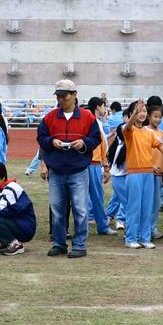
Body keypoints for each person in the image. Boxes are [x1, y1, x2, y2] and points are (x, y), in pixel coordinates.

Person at [37, 79, 102, 259]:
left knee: (80, 210)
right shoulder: (50, 117)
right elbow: (41, 137)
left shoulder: (88, 117)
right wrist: (52, 141)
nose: (61, 99)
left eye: (64, 96)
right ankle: (59, 243)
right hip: (56, 171)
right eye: (58, 96)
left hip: (78, 171)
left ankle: (79, 245)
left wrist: (84, 143)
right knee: (57, 210)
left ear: (74, 95)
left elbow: (96, 139)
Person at [118, 100, 163, 250]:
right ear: (132, 113)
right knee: (134, 207)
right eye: (138, 111)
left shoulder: (149, 133)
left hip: (149, 174)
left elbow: (160, 146)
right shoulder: (129, 131)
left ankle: (145, 238)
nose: (141, 114)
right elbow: (127, 126)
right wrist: (134, 113)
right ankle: (130, 238)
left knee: (147, 207)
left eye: (144, 111)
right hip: (134, 174)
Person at [84, 97, 114, 236]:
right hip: (87, 164)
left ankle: (101, 226)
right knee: (89, 196)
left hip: (93, 164)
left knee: (96, 196)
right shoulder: (92, 123)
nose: (104, 109)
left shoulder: (97, 123)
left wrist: (106, 167)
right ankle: (95, 226)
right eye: (103, 106)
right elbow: (103, 146)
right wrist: (106, 167)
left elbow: (103, 145)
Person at [145, 103, 163, 240]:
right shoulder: (144, 131)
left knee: (155, 203)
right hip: (146, 171)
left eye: (160, 117)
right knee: (146, 201)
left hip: (159, 172)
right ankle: (145, 228)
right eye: (155, 116)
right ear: (149, 116)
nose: (158, 119)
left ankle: (153, 228)